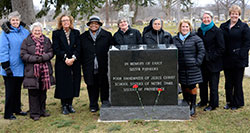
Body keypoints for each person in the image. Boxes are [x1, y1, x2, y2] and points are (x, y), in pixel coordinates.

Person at [20, 22, 54, 120]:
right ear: (32, 31)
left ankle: (42, 110)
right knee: (33, 93)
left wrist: (43, 57)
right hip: (32, 71)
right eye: (35, 30)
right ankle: (34, 113)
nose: (37, 32)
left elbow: (51, 52)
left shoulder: (47, 40)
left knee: (43, 92)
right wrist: (35, 58)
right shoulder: (26, 41)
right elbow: (23, 54)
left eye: (39, 30)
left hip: (45, 70)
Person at [80, 16, 113, 112]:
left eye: (96, 23)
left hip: (103, 65)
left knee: (104, 84)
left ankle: (105, 101)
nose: (94, 25)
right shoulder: (83, 37)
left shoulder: (106, 35)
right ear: (89, 25)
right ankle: (93, 104)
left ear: (99, 25)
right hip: (89, 65)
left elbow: (111, 49)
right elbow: (80, 52)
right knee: (91, 85)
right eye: (92, 23)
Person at [0, 11, 29, 120]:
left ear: (19, 20)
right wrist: (6, 66)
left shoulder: (24, 32)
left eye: (17, 20)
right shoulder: (5, 33)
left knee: (17, 90)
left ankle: (17, 109)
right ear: (10, 21)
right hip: (10, 67)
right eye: (13, 20)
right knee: (10, 91)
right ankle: (8, 113)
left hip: (21, 66)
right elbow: (3, 50)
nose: (15, 22)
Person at [220, 5, 250, 110]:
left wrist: (241, 54)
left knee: (237, 82)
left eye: (236, 14)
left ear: (239, 15)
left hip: (239, 59)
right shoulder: (223, 26)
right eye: (232, 13)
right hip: (227, 59)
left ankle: (237, 103)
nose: (234, 15)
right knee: (228, 82)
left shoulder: (244, 27)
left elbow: (247, 43)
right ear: (230, 14)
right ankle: (229, 102)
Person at [173, 19, 205, 116]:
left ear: (190, 28)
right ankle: (186, 103)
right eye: (183, 26)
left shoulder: (196, 38)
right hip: (181, 68)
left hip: (193, 67)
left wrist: (197, 62)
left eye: (187, 27)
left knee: (192, 86)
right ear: (180, 27)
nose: (185, 28)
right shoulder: (175, 39)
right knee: (184, 86)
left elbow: (201, 51)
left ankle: (193, 105)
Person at [52, 14, 81, 115]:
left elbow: (79, 47)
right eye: (63, 21)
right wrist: (65, 58)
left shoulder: (76, 32)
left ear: (70, 21)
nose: (66, 22)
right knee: (63, 83)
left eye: (67, 20)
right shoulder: (56, 33)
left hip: (74, 62)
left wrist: (73, 58)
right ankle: (64, 105)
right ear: (60, 22)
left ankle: (70, 104)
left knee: (73, 83)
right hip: (62, 62)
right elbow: (56, 48)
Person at [197, 11, 225, 111]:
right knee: (202, 84)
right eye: (204, 18)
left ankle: (213, 104)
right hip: (202, 63)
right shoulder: (200, 30)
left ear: (211, 18)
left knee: (213, 85)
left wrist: (210, 56)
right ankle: (203, 101)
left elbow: (221, 48)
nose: (206, 20)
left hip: (214, 62)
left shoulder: (217, 31)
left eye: (208, 18)